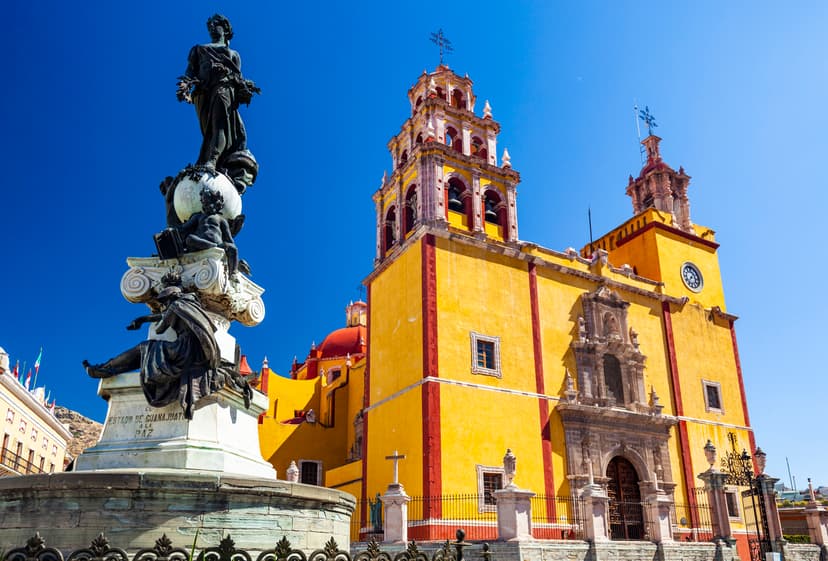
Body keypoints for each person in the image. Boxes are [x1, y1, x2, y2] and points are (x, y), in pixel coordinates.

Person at [83, 285, 250, 419]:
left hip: (183, 351)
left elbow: (162, 325)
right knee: (146, 349)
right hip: (194, 350)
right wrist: (143, 319)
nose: (163, 306)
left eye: (164, 302)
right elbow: (168, 316)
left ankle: (104, 369)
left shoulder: (177, 305)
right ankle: (104, 368)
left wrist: (143, 320)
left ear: (171, 298)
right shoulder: (189, 305)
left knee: (144, 348)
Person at [177, 15, 259, 175]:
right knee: (208, 130)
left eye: (215, 24)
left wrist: (244, 88)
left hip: (224, 87)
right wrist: (184, 87)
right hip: (201, 93)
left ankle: (211, 162)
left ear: (226, 28)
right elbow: (189, 73)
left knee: (220, 125)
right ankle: (211, 160)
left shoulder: (233, 54)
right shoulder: (198, 49)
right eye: (209, 26)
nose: (212, 28)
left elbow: (238, 79)